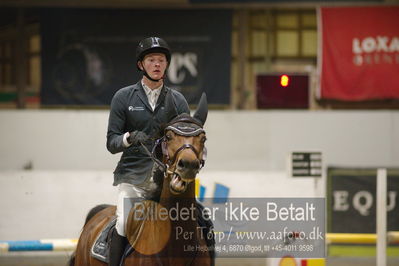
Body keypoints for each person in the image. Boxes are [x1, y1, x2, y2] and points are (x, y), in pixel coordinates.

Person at [106, 37, 190, 266]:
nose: (157, 64)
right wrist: (128, 138)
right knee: (123, 222)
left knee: (198, 221)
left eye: (161, 60)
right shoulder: (123, 97)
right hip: (133, 178)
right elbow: (111, 142)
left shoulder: (177, 100)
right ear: (141, 65)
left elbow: (186, 139)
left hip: (166, 181)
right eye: (151, 60)